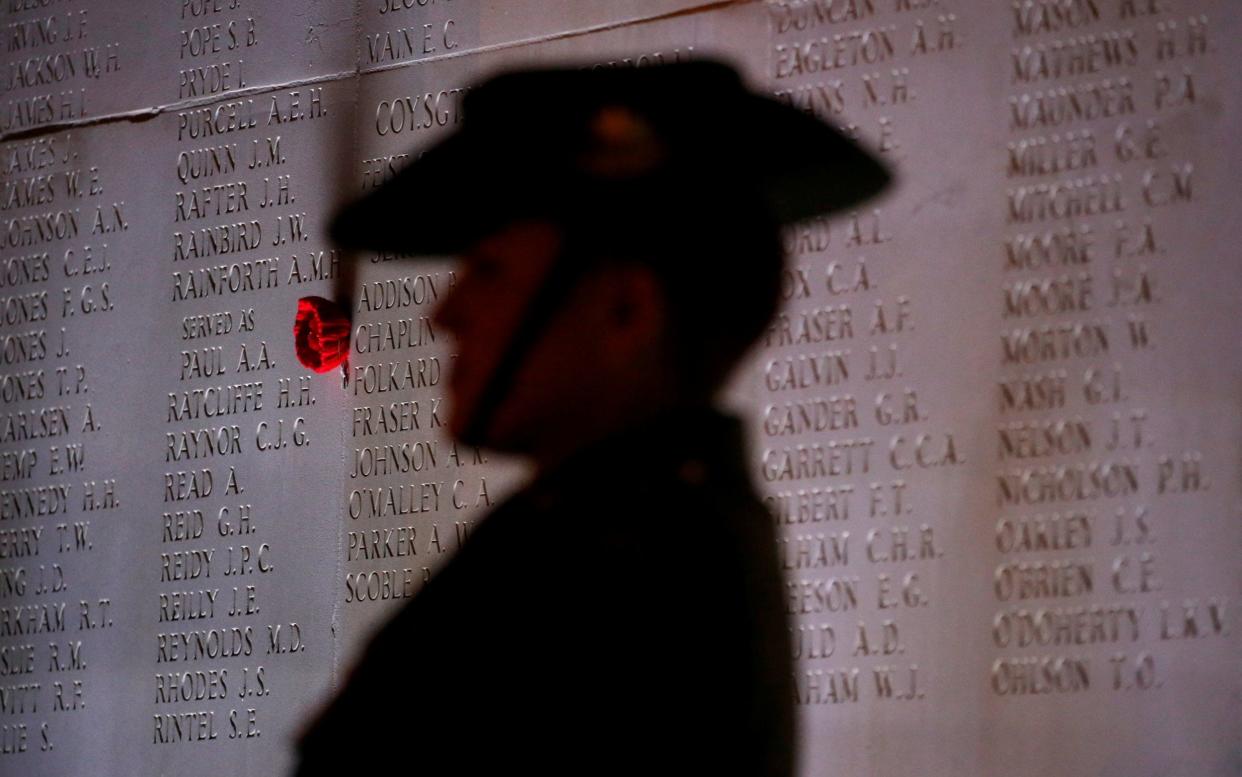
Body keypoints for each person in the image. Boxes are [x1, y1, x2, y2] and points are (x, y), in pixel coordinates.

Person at [293, 60, 889, 776]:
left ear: (625, 310)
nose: (444, 314)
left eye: (489, 273)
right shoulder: (623, 533)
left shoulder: (614, 571)